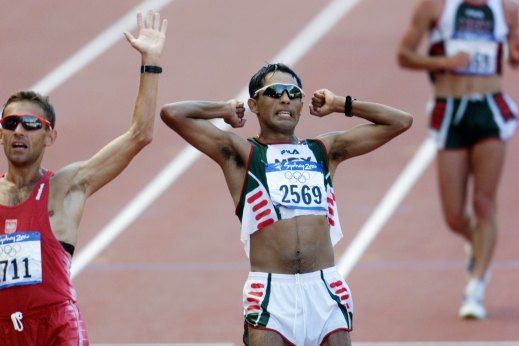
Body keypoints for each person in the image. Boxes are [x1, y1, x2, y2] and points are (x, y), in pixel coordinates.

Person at [160, 63, 412, 346]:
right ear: (254, 104)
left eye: (293, 93)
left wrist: (341, 104)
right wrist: (224, 110)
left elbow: (400, 121)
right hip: (271, 294)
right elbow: (173, 113)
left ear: (301, 104)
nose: (285, 99)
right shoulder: (242, 154)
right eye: (275, 92)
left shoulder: (324, 150)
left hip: (324, 289)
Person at [0, 10, 167, 345]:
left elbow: (139, 136)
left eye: (31, 125)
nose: (19, 130)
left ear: (50, 137)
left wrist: (150, 62)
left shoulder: (66, 186)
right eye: (10, 123)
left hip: (56, 330)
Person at [397, 0, 518, 320]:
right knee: (453, 215)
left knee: (484, 203)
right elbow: (404, 55)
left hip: (489, 110)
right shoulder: (435, 6)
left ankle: (475, 288)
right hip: (450, 111)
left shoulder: (507, 9)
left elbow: (515, 55)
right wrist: (444, 62)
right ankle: (474, 242)